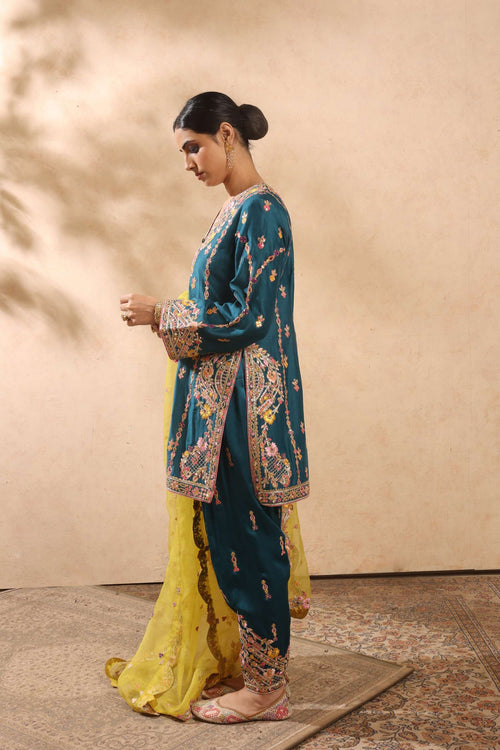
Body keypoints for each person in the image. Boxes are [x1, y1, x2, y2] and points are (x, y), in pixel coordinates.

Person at [106, 92, 310, 724]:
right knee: (229, 539)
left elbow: (251, 317)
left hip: (246, 408)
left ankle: (268, 691)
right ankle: (253, 671)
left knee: (252, 542)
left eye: (193, 147)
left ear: (226, 135)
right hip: (219, 404)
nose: (189, 163)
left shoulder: (262, 211)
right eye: (183, 152)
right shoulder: (233, 210)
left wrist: (163, 312)